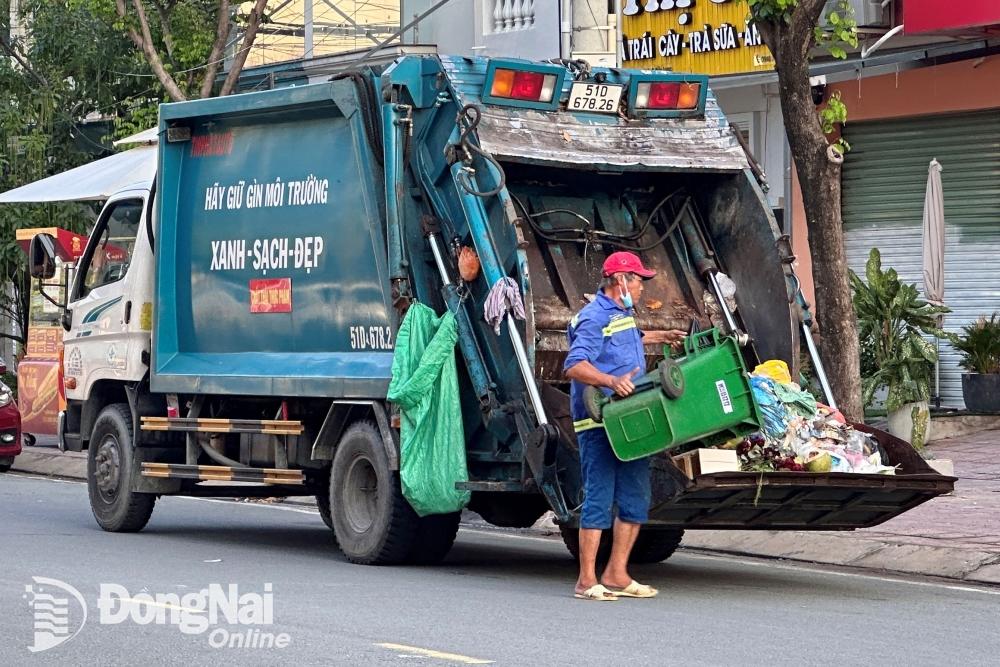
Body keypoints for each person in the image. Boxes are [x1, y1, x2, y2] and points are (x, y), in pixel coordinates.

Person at [563, 251, 686, 601]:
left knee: (635, 498)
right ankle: (586, 580)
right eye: (638, 280)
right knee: (599, 498)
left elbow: (625, 339)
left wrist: (660, 338)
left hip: (629, 419)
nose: (643, 287)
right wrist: (609, 381)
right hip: (599, 421)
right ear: (620, 281)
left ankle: (616, 573)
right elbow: (574, 365)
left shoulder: (623, 314)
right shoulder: (592, 317)